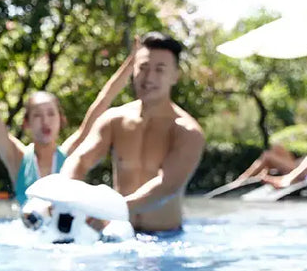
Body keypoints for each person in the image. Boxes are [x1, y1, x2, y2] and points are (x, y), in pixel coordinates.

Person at [0, 32, 135, 207]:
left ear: (60, 120)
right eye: (37, 115)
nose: (45, 121)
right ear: (26, 123)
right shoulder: (17, 158)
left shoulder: (71, 155)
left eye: (50, 114)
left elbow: (102, 102)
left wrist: (133, 62)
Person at [60, 32, 205, 234]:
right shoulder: (114, 120)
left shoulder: (187, 131)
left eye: (160, 69)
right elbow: (80, 159)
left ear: (175, 76)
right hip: (119, 236)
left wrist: (111, 211)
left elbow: (167, 186)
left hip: (166, 241)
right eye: (143, 68)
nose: (149, 77)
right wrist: (64, 193)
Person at [220, 129, 307, 190]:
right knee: (276, 147)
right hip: (297, 164)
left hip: (296, 169)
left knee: (267, 156)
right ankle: (258, 174)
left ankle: (241, 180)